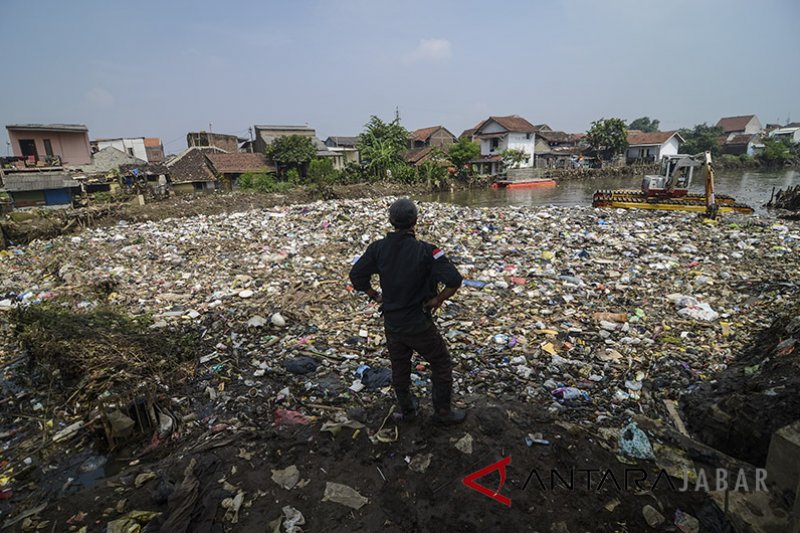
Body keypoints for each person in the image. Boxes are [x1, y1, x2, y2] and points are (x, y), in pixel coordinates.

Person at [349, 198, 466, 425]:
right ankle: (443, 413)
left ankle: (408, 411)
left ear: (391, 221)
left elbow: (357, 276)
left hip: (393, 323)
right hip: (418, 323)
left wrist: (374, 295)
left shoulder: (378, 249)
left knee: (400, 366)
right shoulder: (427, 251)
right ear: (415, 221)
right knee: (440, 363)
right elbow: (454, 280)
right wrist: (438, 300)